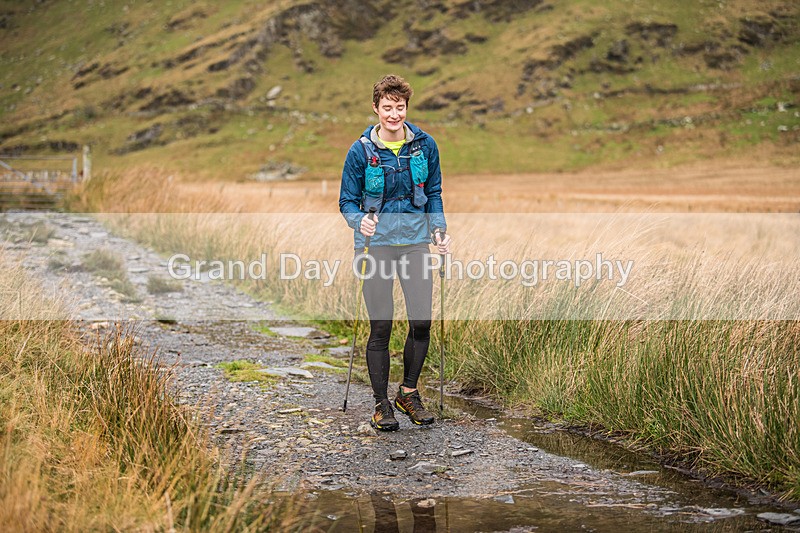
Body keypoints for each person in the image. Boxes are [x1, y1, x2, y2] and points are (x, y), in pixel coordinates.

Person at [339, 74, 451, 431]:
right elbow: (346, 201)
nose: (394, 114)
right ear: (376, 108)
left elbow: (433, 192)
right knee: (381, 327)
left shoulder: (425, 145)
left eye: (399, 107)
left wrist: (438, 229)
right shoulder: (360, 151)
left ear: (406, 107)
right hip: (376, 246)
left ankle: (408, 393)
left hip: (416, 243)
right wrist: (359, 221)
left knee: (421, 323)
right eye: (387, 108)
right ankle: (381, 403)